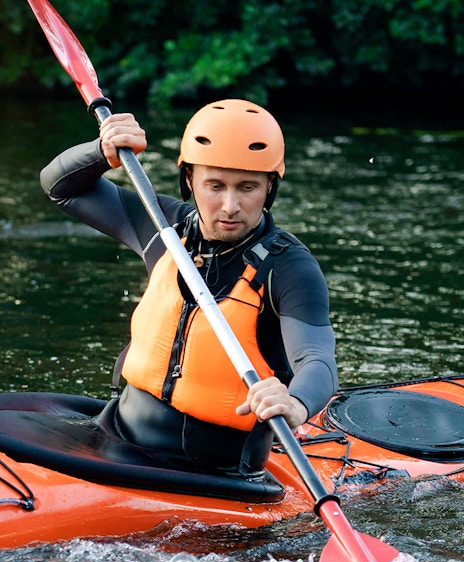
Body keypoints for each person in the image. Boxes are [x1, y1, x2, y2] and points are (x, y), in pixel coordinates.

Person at [40, 99, 338, 478]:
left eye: (247, 187)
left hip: (213, 472)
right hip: (117, 434)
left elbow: (318, 361)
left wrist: (295, 403)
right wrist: (102, 152)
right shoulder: (163, 226)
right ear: (189, 181)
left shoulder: (290, 267)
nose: (230, 206)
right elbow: (60, 187)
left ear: (270, 188)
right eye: (215, 185)